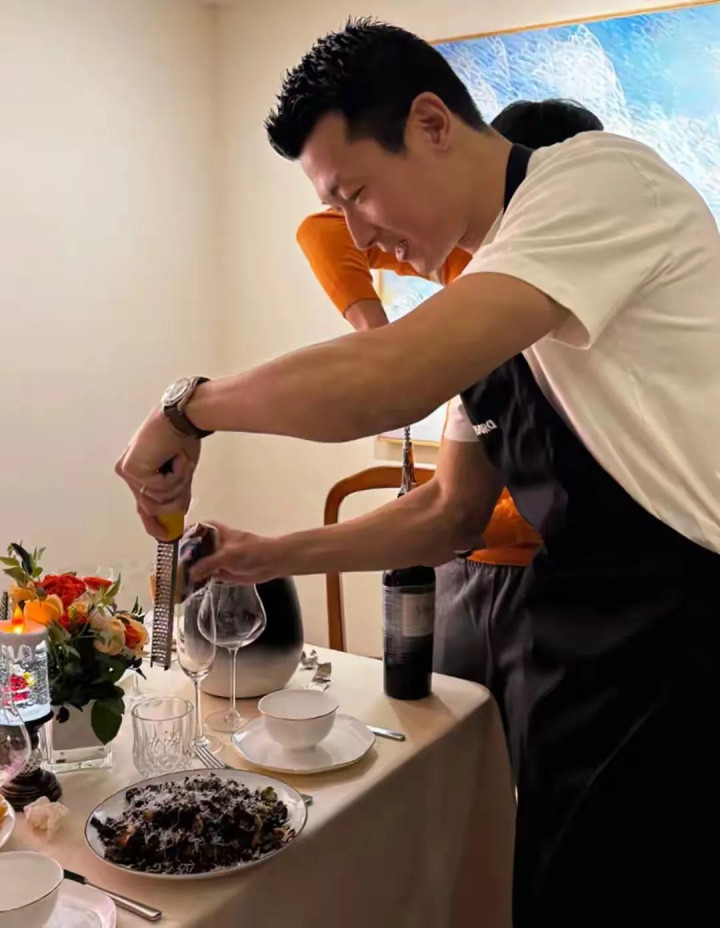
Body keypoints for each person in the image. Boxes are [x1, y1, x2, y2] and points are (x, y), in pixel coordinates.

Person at [116, 19, 720, 928]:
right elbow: (448, 514)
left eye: (358, 194)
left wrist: (184, 407)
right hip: (580, 657)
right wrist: (268, 554)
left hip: (684, 641)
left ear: (433, 123)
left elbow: (385, 381)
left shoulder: (599, 181)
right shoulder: (492, 304)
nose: (360, 235)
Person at [297, 100, 600, 692]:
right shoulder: (472, 259)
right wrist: (377, 335)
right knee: (438, 727)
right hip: (460, 567)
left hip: (548, 575)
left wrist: (459, 521)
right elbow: (322, 230)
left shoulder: (586, 286)